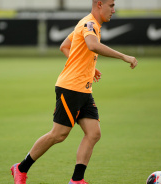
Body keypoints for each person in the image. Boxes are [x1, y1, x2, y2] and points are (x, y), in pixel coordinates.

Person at [10, 0, 138, 183]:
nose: (114, 10)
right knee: (58, 134)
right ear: (99, 4)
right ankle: (20, 168)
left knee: (93, 133)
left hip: (84, 90)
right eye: (111, 5)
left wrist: (87, 67)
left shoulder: (86, 22)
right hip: (70, 88)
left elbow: (65, 46)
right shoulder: (90, 24)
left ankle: (77, 180)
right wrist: (123, 56)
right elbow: (92, 45)